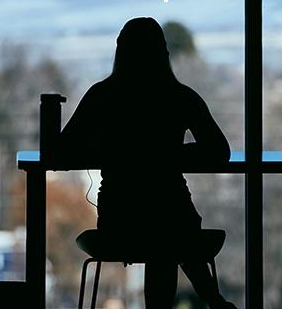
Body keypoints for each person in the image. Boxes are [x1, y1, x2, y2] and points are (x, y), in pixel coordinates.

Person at [60, 17, 237, 309]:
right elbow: (220, 151)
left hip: (119, 216)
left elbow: (63, 150)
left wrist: (107, 151)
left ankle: (212, 299)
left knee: (163, 233)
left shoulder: (102, 96)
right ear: (162, 53)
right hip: (174, 212)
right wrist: (170, 154)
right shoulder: (180, 97)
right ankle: (213, 299)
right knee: (168, 233)